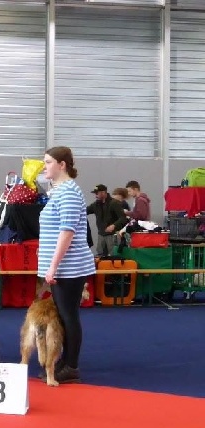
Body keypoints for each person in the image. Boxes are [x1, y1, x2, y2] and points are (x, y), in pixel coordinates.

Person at [38, 146, 95, 384]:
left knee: (68, 315)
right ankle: (63, 362)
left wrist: (53, 267)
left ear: (62, 165)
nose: (44, 167)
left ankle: (71, 365)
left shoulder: (69, 192)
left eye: (48, 162)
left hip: (69, 267)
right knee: (63, 315)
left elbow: (67, 232)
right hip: (62, 266)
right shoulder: (58, 191)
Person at [86, 184, 128, 256]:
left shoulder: (114, 203)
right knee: (100, 256)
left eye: (97, 193)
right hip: (101, 236)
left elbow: (123, 218)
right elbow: (84, 211)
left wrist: (114, 225)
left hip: (112, 236)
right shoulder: (95, 205)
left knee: (114, 256)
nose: (95, 195)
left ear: (103, 192)